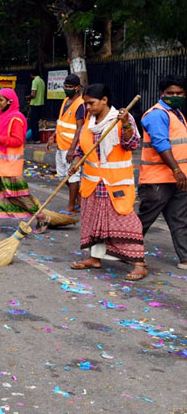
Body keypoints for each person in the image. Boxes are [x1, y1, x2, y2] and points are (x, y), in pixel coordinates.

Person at [68, 84, 147, 280]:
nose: (88, 108)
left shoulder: (121, 119)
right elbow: (82, 148)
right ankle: (95, 258)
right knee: (93, 222)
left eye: (91, 103)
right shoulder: (89, 121)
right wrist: (76, 163)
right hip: (93, 184)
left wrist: (126, 124)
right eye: (86, 104)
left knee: (127, 222)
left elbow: (132, 144)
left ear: (104, 100)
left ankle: (139, 264)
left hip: (115, 184)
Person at [0, 88, 49, 233]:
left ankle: (41, 217)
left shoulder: (16, 118)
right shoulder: (1, 116)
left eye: (1, 100)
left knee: (20, 195)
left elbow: (18, 141)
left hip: (11, 165)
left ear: (9, 102)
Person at [137, 75, 187, 271]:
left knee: (180, 220)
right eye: (170, 93)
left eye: (179, 93)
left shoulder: (177, 114)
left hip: (178, 178)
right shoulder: (157, 114)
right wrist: (177, 170)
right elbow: (160, 144)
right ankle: (123, 249)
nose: (174, 96)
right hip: (157, 179)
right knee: (145, 219)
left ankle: (184, 257)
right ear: (161, 94)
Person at [45, 74, 86, 214]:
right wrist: (53, 136)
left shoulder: (80, 104)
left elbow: (80, 127)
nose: (67, 89)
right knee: (62, 175)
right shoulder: (65, 101)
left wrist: (73, 149)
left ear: (77, 88)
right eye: (66, 87)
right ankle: (78, 197)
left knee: (72, 175)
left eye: (70, 87)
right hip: (61, 144)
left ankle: (71, 206)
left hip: (71, 147)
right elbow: (61, 122)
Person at [26, 70, 45, 143]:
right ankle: (37, 138)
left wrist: (28, 97)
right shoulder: (42, 81)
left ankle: (35, 139)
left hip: (35, 104)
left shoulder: (35, 81)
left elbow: (33, 94)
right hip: (41, 104)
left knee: (33, 123)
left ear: (31, 75)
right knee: (36, 122)